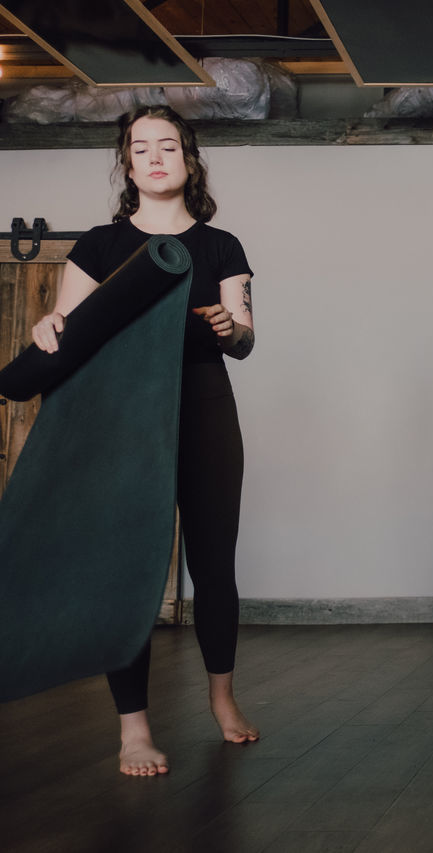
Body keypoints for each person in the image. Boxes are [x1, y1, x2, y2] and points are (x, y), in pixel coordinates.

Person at [30, 105, 259, 775]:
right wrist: (48, 329)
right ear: (127, 164)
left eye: (168, 145)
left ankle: (223, 700)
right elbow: (64, 328)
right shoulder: (98, 245)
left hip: (205, 403)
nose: (154, 156)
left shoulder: (223, 246)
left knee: (215, 562)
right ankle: (134, 729)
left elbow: (245, 339)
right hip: (126, 411)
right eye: (140, 147)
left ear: (189, 159)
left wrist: (229, 326)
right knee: (127, 572)